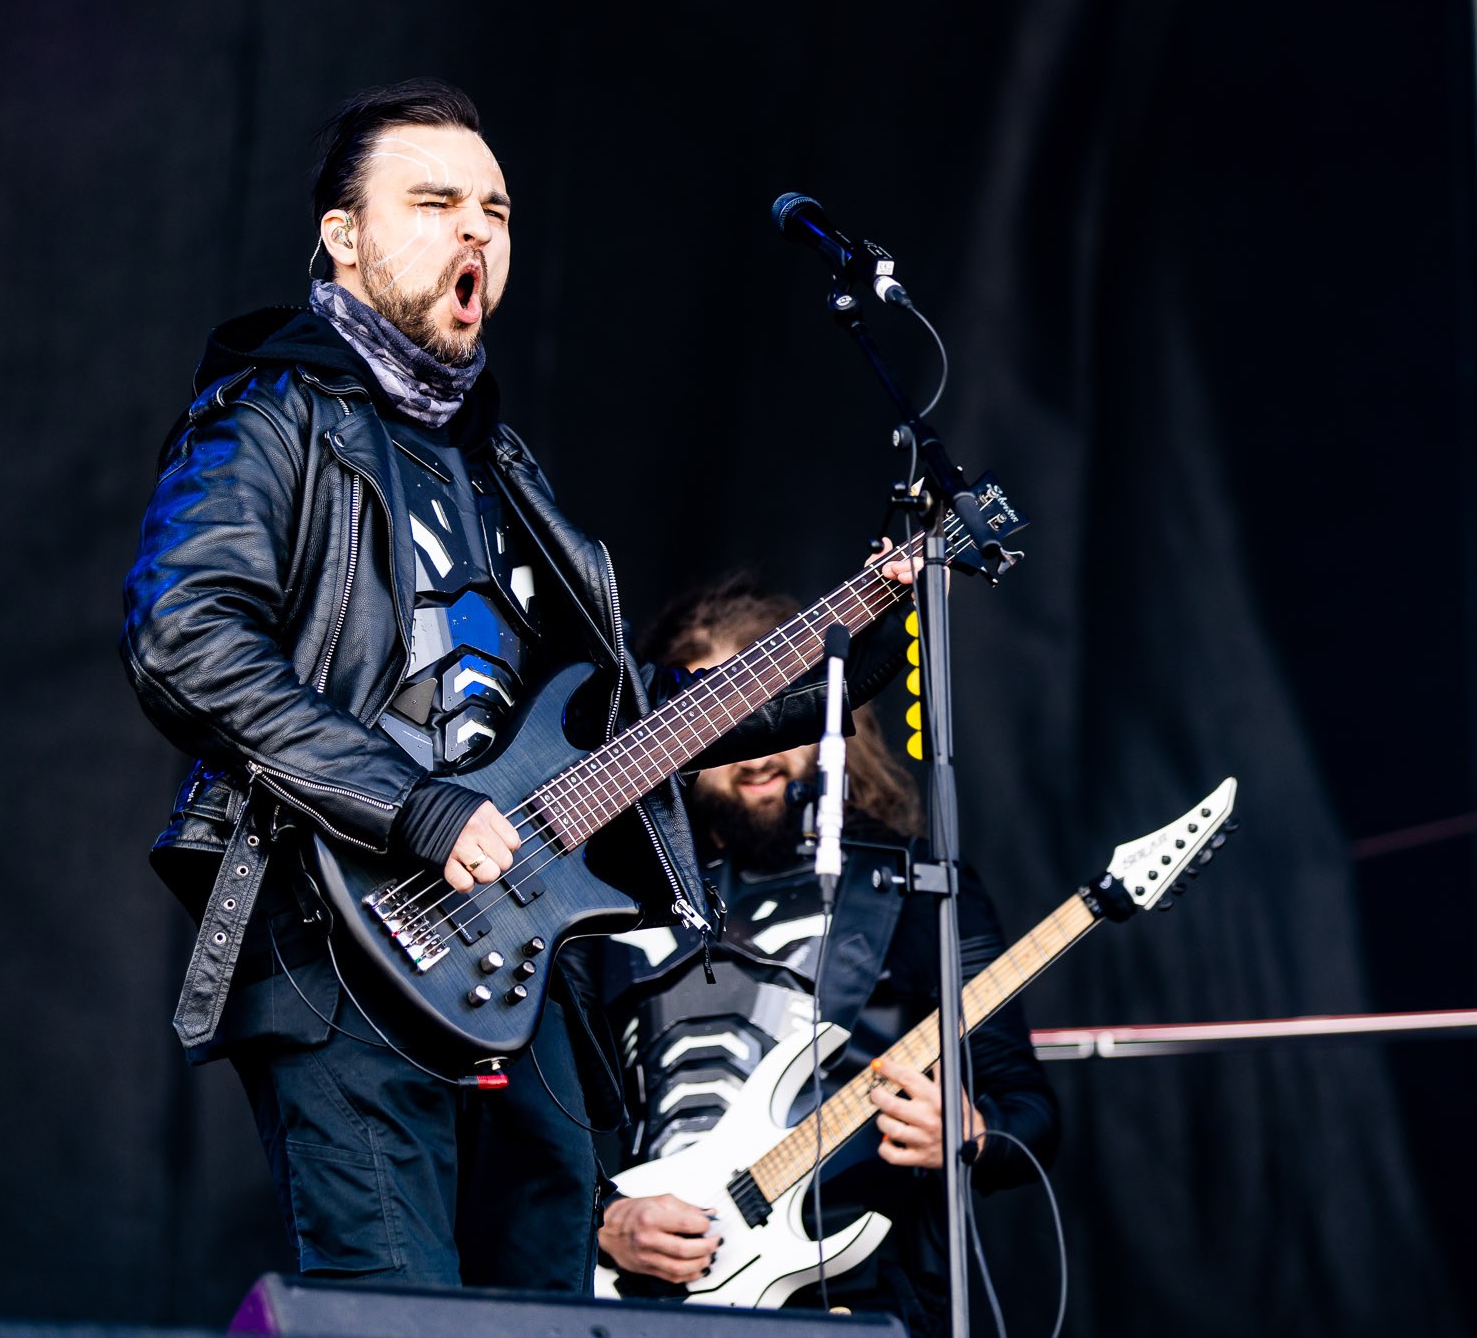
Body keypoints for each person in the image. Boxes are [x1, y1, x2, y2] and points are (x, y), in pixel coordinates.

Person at [120, 80, 909, 1293]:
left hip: (515, 957)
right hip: (343, 936)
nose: (474, 230)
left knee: (546, 1295)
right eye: (433, 202)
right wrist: (413, 806)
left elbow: (626, 717)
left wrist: (853, 641)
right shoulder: (269, 416)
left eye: (493, 210)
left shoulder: (497, 464)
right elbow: (185, 637)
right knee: (398, 1303)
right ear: (343, 236)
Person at [593, 577, 1058, 1335]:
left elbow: (1030, 1109)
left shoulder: (912, 885)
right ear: (671, 737)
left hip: (852, 1292)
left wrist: (968, 1132)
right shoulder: (606, 905)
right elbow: (535, 1135)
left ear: (827, 714)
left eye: (777, 710)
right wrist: (605, 1219)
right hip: (636, 1301)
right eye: (721, 719)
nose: (755, 751)